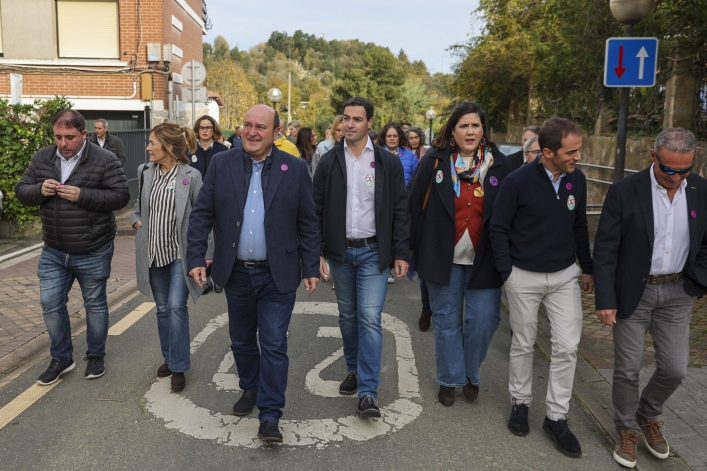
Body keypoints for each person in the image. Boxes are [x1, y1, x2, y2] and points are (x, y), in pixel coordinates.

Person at [186, 104, 320, 443]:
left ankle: (271, 414)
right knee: (242, 340)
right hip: (237, 273)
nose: (252, 131)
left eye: (260, 126)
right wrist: (197, 256)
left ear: (276, 133)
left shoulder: (296, 168)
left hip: (279, 273)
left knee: (274, 343)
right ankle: (251, 387)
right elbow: (202, 214)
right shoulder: (222, 163)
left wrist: (311, 264)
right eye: (247, 124)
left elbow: (307, 221)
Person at [593, 128, 707, 468]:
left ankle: (648, 413)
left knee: (675, 369)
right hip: (633, 291)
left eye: (683, 171)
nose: (675, 177)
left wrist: (696, 282)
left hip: (677, 292)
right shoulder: (624, 191)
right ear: (653, 158)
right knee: (627, 369)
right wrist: (605, 298)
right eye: (668, 169)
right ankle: (626, 428)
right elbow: (606, 249)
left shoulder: (701, 190)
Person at [490, 117, 594, 458]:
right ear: (547, 152)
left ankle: (556, 416)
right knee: (523, 342)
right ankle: (520, 403)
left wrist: (587, 268)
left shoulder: (577, 179)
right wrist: (508, 274)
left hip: (564, 275)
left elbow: (579, 225)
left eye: (579, 149)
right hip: (523, 275)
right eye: (572, 151)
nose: (578, 156)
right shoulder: (517, 181)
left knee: (567, 345)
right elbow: (499, 228)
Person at [15, 110, 130, 385]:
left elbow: (121, 196)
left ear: (83, 135)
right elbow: (21, 190)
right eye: (58, 137)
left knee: (95, 304)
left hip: (93, 247)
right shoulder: (43, 157)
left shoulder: (105, 159)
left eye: (69, 137)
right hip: (54, 249)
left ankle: (96, 356)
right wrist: (39, 190)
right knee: (50, 303)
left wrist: (83, 195)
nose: (63, 143)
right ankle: (62, 358)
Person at [409, 101, 512, 406]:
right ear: (452, 131)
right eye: (463, 125)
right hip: (442, 256)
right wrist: (407, 250)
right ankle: (450, 378)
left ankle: (469, 371)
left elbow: (511, 214)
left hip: (485, 258)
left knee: (484, 320)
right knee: (447, 321)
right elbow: (414, 205)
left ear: (484, 130)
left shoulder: (500, 165)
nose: (470, 131)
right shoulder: (435, 162)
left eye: (476, 125)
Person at [313, 97, 410, 418]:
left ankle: (368, 392)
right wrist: (317, 252)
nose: (349, 124)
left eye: (357, 119)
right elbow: (315, 210)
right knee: (348, 317)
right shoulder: (328, 161)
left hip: (373, 253)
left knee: (370, 319)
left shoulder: (386, 162)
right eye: (345, 118)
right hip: (339, 253)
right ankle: (353, 369)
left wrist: (400, 251)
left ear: (370, 123)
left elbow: (399, 209)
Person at [132, 123, 212, 392]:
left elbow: (204, 216)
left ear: (167, 147)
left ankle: (178, 365)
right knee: (163, 308)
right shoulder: (145, 172)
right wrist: (136, 220)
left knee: (177, 307)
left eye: (152, 143)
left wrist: (206, 254)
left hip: (180, 253)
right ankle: (169, 357)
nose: (148, 148)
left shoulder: (191, 175)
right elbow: (138, 206)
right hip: (152, 252)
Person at [190, 115, 229, 295]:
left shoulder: (223, 150)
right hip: (196, 202)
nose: (205, 130)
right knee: (201, 238)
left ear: (214, 130)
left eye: (208, 127)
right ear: (197, 130)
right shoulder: (189, 150)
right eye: (201, 127)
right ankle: (205, 280)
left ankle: (219, 278)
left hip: (219, 201)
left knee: (219, 239)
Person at [376, 122, 417, 284]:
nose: (392, 139)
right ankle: (386, 268)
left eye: (395, 136)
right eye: (389, 136)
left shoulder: (409, 156)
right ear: (384, 137)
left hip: (403, 201)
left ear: (400, 137)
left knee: (399, 234)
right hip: (384, 202)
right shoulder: (377, 155)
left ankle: (395, 264)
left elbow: (416, 178)